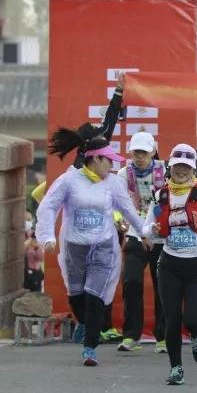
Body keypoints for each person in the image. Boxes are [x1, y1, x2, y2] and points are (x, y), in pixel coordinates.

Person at [36, 128, 147, 367]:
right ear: (95, 159)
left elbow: (128, 210)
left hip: (103, 246)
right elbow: (47, 207)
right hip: (75, 247)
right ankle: (85, 324)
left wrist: (144, 232)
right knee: (77, 296)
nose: (112, 166)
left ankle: (90, 348)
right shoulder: (69, 180)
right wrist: (47, 236)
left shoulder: (114, 183)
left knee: (94, 296)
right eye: (108, 161)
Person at [142, 144, 197, 386]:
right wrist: (152, 230)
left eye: (186, 167)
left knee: (192, 318)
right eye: (177, 166)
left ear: (193, 169)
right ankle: (176, 368)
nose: (181, 171)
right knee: (171, 319)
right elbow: (145, 227)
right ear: (170, 167)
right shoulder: (160, 195)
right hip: (169, 265)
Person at [115, 131, 167, 354]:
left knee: (162, 286)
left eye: (144, 152)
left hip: (161, 235)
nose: (140, 157)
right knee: (132, 281)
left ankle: (163, 337)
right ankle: (131, 336)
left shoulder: (166, 171)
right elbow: (117, 203)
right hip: (135, 233)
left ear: (153, 152)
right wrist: (119, 220)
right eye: (136, 152)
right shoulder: (123, 174)